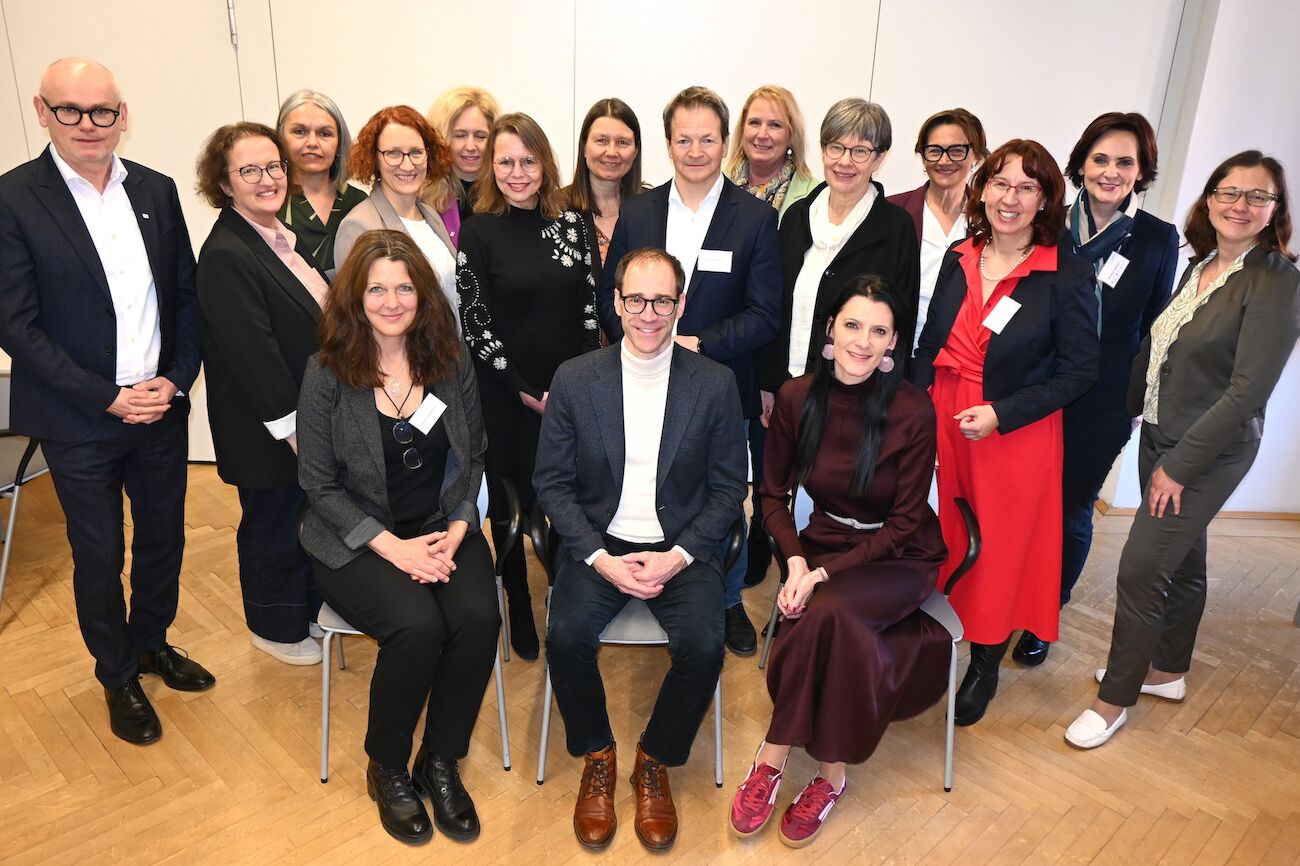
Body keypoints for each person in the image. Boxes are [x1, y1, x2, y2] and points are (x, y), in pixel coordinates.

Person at [0, 58, 213, 745]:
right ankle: (117, 673)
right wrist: (108, 399)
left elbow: (185, 297)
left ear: (122, 115)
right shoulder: (12, 199)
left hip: (160, 408)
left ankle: (150, 642)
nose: (88, 125)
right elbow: (17, 326)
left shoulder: (154, 188)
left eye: (102, 112)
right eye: (71, 110)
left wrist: (174, 382)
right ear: (42, 111)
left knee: (164, 538)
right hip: (78, 418)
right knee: (98, 555)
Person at [1066, 151, 1300, 749]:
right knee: (1184, 556)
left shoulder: (1276, 281)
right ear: (1209, 199)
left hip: (1206, 450)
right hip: (1161, 432)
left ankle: (1113, 698)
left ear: (1276, 210)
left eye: (1257, 196)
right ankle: (1166, 670)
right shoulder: (1201, 264)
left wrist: (1178, 466)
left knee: (1141, 567)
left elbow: (1248, 391)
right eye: (1228, 192)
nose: (1239, 205)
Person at [535, 247, 747, 851]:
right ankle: (598, 753)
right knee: (567, 637)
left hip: (679, 548)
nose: (648, 314)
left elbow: (731, 487)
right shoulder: (576, 379)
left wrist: (679, 555)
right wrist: (597, 557)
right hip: (599, 545)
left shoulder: (714, 384)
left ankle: (654, 759)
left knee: (706, 646)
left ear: (681, 305)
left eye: (662, 301)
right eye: (635, 300)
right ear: (617, 303)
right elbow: (551, 482)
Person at [297, 229, 499, 843]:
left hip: (442, 530)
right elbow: (317, 483)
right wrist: (393, 547)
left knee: (477, 618)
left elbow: (474, 456)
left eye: (404, 287)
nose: (391, 301)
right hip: (357, 538)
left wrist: (460, 527)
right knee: (417, 627)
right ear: (354, 297)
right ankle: (386, 766)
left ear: (423, 294)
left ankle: (439, 760)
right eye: (376, 288)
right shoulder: (327, 371)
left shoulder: (450, 360)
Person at [731, 278, 947, 848]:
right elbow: (772, 497)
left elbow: (904, 523)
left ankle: (774, 759)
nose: (862, 341)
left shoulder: (912, 409)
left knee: (830, 616)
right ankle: (832, 776)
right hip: (825, 540)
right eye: (852, 325)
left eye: (879, 331)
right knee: (831, 619)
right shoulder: (798, 398)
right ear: (830, 329)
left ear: (894, 342)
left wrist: (820, 575)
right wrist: (797, 559)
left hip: (900, 554)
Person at [912, 139, 1099, 727]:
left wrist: (1004, 413)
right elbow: (930, 337)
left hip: (1013, 430)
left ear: (1045, 199)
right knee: (942, 529)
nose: (1009, 198)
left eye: (1026, 187)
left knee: (998, 545)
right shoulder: (959, 254)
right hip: (944, 413)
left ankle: (986, 659)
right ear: (982, 188)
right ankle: (935, 634)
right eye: (1000, 183)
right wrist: (910, 403)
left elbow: (1080, 372)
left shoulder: (1063, 272)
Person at [598, 85, 781, 655]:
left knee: (723, 495)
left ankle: (726, 601)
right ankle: (645, 582)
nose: (695, 149)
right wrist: (641, 335)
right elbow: (611, 294)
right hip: (639, 379)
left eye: (707, 138)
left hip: (719, 382)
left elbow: (766, 313)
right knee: (651, 483)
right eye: (684, 139)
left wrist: (700, 344)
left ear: (724, 143)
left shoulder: (754, 218)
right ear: (668, 144)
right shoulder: (640, 210)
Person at [1012, 112, 1178, 667]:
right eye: (1100, 158)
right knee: (1022, 499)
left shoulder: (1157, 239)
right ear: (1082, 162)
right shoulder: (1048, 221)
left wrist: (1139, 402)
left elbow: (1156, 327)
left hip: (1104, 399)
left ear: (1141, 171)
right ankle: (1012, 592)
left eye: (1124, 162)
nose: (1110, 171)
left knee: (1071, 506)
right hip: (1033, 384)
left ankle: (1045, 611)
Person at [753, 99, 919, 585]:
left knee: (832, 492)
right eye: (836, 147)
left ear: (881, 157)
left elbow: (899, 319)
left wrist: (885, 392)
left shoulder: (894, 228)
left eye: (861, 151)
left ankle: (821, 582)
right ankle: (787, 570)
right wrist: (769, 384)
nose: (845, 161)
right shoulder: (798, 215)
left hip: (853, 392)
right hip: (791, 385)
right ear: (822, 149)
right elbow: (774, 306)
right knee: (775, 486)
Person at [457, 112, 600, 660]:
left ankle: (565, 590)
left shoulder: (574, 222)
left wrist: (570, 387)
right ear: (492, 168)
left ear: (546, 163)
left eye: (529, 160)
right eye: (506, 162)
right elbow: (475, 319)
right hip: (505, 393)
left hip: (568, 395)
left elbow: (589, 312)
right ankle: (516, 594)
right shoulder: (480, 228)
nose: (518, 173)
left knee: (566, 494)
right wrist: (520, 386)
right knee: (511, 496)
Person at [195, 121, 330, 666]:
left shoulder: (278, 239)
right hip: (267, 427)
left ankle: (301, 610)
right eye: (249, 170)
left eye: (273, 166)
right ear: (224, 184)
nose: (267, 178)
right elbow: (256, 355)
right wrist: (295, 430)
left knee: (303, 518)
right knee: (272, 522)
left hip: (302, 416)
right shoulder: (229, 252)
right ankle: (273, 626)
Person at [334, 106, 459, 328]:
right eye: (393, 153)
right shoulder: (358, 226)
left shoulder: (430, 214)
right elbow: (356, 318)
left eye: (416, 152)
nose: (407, 164)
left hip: (449, 354)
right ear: (374, 158)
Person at [886, 108, 989, 349]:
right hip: (895, 347)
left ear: (975, 155)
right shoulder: (892, 211)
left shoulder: (989, 222)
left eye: (956, 151)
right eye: (934, 151)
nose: (944, 161)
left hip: (958, 352)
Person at [274, 89, 367, 271]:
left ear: (339, 143)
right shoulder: (271, 204)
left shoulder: (359, 203)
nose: (312, 142)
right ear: (280, 139)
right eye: (299, 131)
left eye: (324, 133)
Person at [564, 98, 644, 300]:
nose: (611, 152)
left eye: (623, 142)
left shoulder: (653, 208)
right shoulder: (554, 209)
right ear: (583, 147)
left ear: (635, 151)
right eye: (601, 140)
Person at [725, 85, 818, 222]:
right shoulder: (716, 182)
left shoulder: (815, 196)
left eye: (775, 125)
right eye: (754, 123)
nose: (762, 135)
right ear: (742, 129)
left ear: (791, 136)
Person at [427, 86, 501, 225]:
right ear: (442, 138)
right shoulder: (422, 198)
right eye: (460, 135)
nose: (471, 147)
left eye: (480, 136)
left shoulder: (507, 191)